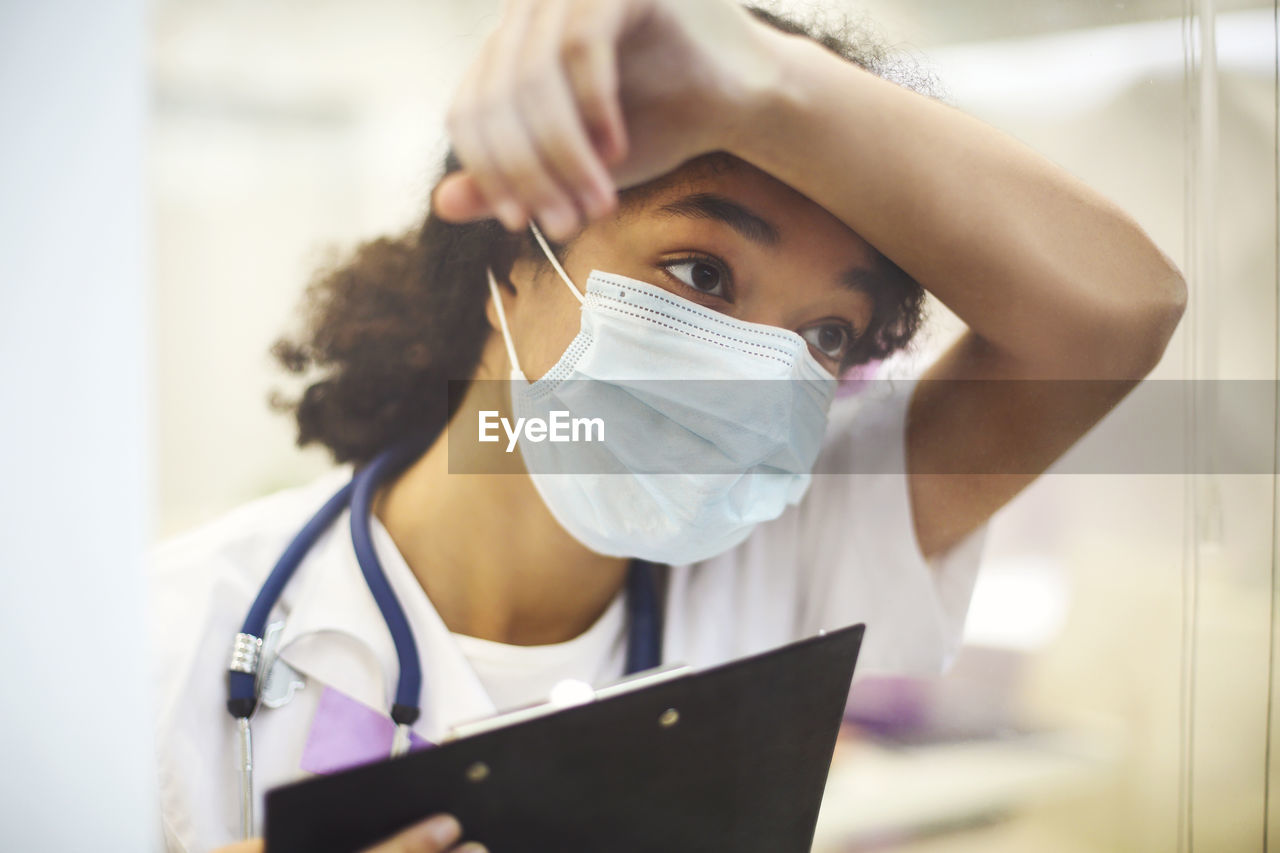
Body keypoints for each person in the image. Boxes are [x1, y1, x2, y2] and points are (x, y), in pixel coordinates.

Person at [148, 1, 1187, 851]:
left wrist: (769, 84)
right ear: (512, 252)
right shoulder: (164, 636)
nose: (758, 377)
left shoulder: (796, 548)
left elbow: (1119, 308)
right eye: (700, 272)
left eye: (827, 333)